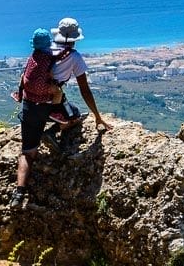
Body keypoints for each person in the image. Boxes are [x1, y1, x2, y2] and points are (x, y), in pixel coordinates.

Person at [12, 28, 62, 207]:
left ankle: (19, 193)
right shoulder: (50, 60)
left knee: (27, 152)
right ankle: (55, 129)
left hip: (28, 107)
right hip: (45, 109)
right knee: (72, 115)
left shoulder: (31, 59)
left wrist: (20, 94)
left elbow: (22, 80)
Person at [50, 17, 112, 131]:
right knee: (75, 112)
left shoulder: (45, 49)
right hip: (51, 103)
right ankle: (53, 132)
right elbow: (85, 89)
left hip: (32, 101)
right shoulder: (74, 56)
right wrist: (97, 116)